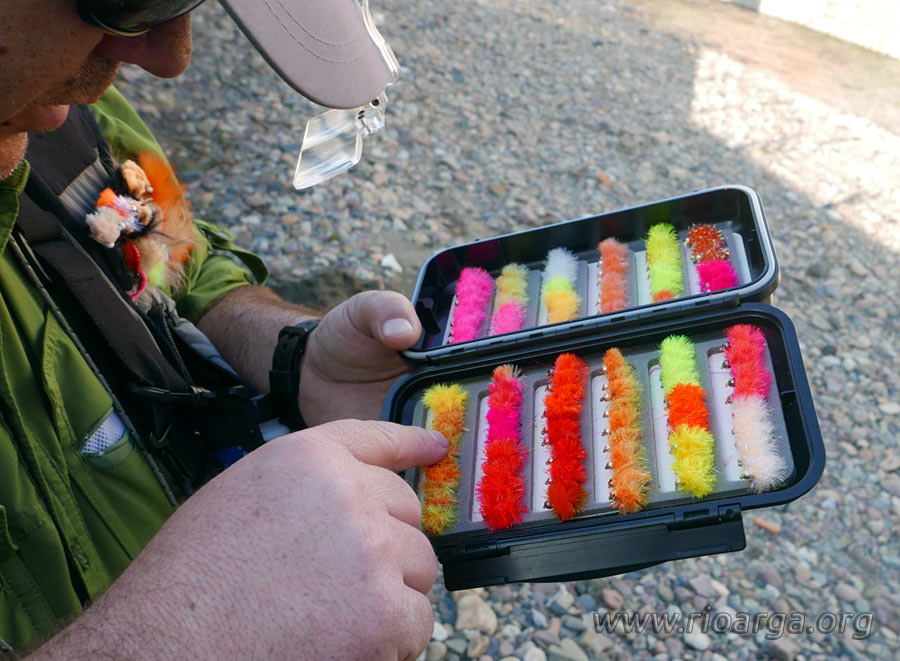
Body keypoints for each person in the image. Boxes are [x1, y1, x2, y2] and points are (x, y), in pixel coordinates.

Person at [0, 1, 445, 658]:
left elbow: (179, 262)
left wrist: (295, 361)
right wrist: (179, 634)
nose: (169, 57)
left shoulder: (57, 105)